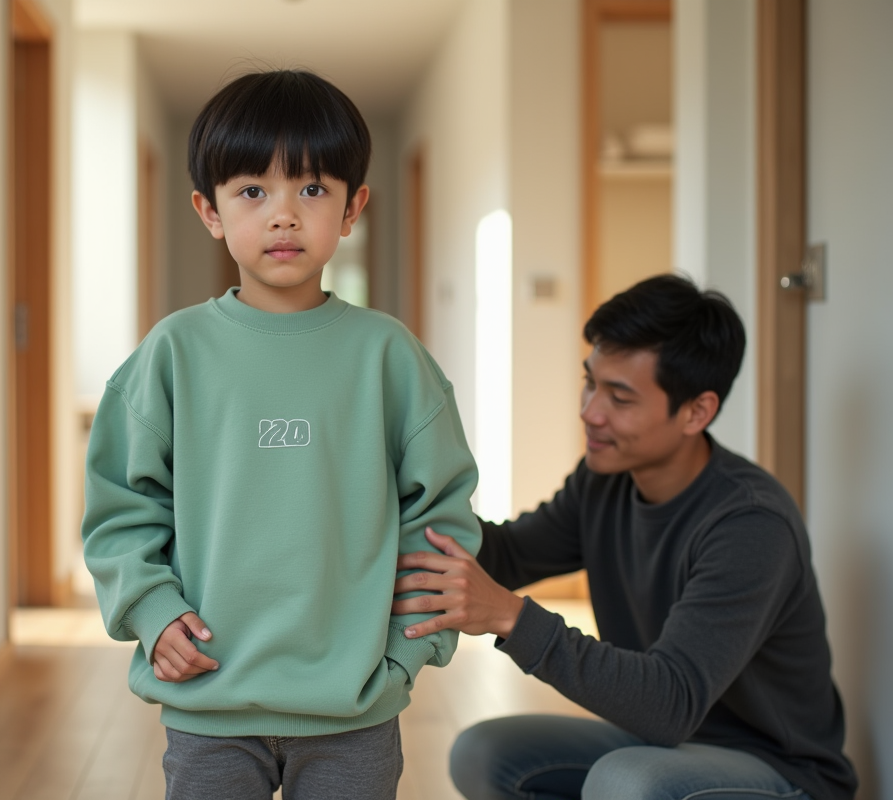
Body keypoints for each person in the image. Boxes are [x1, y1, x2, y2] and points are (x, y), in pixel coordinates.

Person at [81, 69, 481, 800]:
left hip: (355, 706)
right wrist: (152, 611)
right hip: (210, 700)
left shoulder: (390, 358)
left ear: (354, 207)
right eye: (253, 192)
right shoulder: (171, 355)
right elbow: (120, 511)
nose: (285, 215)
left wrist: (404, 654)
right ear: (209, 210)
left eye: (313, 190)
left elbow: (440, 520)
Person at [393, 275, 857, 800]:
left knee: (626, 783)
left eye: (620, 397)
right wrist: (406, 507)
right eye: (591, 382)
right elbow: (510, 553)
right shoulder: (604, 481)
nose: (591, 412)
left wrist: (507, 615)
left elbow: (669, 704)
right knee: (484, 753)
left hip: (780, 774)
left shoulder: (750, 525)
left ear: (697, 411)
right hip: (668, 748)